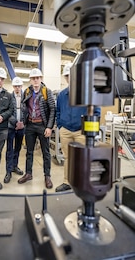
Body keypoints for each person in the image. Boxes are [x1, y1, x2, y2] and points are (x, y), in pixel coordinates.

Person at [55, 63, 101, 192]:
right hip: (66, 131)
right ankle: (67, 182)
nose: (70, 78)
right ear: (65, 78)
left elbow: (96, 112)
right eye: (68, 75)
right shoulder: (61, 94)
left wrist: (90, 130)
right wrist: (60, 125)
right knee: (68, 157)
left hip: (82, 131)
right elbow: (58, 111)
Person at [18, 68, 55, 189]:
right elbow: (23, 106)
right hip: (30, 125)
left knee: (46, 152)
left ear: (41, 79)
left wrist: (49, 127)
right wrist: (23, 120)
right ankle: (28, 173)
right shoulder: (27, 91)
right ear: (30, 80)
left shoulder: (46, 91)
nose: (35, 80)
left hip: (42, 125)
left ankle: (47, 176)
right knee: (29, 151)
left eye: (37, 78)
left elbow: (52, 109)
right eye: (33, 78)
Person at [4, 77, 25, 183]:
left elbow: (27, 111)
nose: (17, 88)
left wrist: (23, 123)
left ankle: (14, 166)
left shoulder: (25, 97)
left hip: (21, 128)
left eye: (19, 86)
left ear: (21, 86)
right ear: (13, 86)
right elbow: (7, 112)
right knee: (9, 150)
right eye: (16, 86)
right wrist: (16, 123)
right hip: (11, 128)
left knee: (17, 148)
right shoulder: (8, 97)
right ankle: (8, 171)